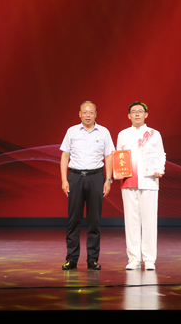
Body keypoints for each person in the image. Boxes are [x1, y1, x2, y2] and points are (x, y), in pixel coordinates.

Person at [59, 101, 114, 271]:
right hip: (75, 177)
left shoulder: (104, 132)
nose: (88, 115)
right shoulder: (72, 131)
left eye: (91, 112)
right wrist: (64, 180)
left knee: (94, 220)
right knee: (73, 219)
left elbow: (109, 157)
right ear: (80, 114)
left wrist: (108, 179)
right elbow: (65, 156)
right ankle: (71, 259)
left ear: (96, 114)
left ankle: (92, 259)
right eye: (85, 112)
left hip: (96, 177)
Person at [114, 101, 165, 270]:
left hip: (149, 181)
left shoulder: (154, 134)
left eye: (140, 111)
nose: (137, 114)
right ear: (129, 115)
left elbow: (161, 154)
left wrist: (160, 169)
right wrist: (117, 172)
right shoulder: (123, 134)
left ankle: (149, 259)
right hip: (128, 182)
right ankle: (134, 259)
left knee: (149, 221)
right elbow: (118, 156)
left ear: (146, 114)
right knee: (131, 221)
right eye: (134, 111)